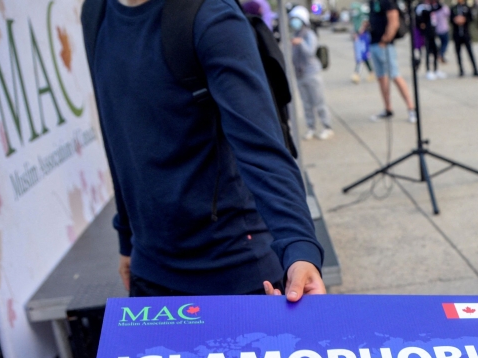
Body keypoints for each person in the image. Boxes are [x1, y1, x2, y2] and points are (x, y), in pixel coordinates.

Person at [84, 0, 325, 300]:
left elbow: (262, 147)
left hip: (236, 271)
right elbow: (118, 138)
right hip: (151, 271)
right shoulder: (96, 12)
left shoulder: (210, 15)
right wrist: (126, 238)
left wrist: (299, 247)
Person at [366, 0, 417, 121]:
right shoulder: (372, 2)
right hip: (373, 43)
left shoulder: (388, 2)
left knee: (395, 75)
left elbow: (394, 21)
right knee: (381, 77)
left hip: (385, 44)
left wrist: (385, 39)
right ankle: (388, 108)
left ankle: (411, 108)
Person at [289, 7, 333, 141]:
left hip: (312, 73)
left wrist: (301, 43)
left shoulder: (309, 35)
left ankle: (327, 126)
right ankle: (311, 127)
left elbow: (310, 52)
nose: (294, 22)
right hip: (300, 74)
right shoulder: (294, 34)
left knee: (319, 102)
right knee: (306, 104)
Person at [452, 0, 478, 75]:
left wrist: (464, 19)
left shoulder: (467, 7)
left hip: (466, 34)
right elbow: (451, 19)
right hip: (457, 34)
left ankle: (475, 69)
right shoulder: (453, 8)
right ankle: (461, 70)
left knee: (470, 52)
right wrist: (455, 20)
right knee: (458, 54)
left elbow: (471, 18)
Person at [350, 1, 375, 83]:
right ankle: (371, 72)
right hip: (358, 38)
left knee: (361, 56)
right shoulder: (355, 17)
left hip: (363, 38)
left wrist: (359, 33)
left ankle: (357, 74)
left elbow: (364, 23)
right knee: (362, 57)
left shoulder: (362, 15)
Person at [416, 1, 441, 78]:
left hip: (433, 31)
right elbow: (420, 18)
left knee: (435, 51)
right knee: (426, 51)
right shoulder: (421, 7)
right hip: (426, 32)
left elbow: (439, 7)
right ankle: (428, 70)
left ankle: (436, 69)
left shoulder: (431, 5)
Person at [433, 0, 453, 65]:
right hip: (444, 29)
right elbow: (448, 14)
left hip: (438, 29)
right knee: (445, 43)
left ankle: (441, 55)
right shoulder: (443, 8)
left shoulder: (435, 8)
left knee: (442, 43)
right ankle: (441, 54)